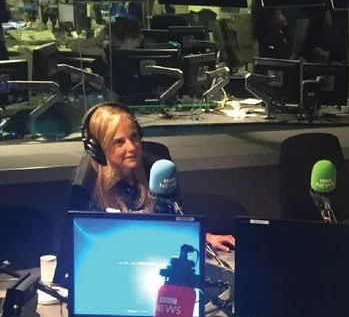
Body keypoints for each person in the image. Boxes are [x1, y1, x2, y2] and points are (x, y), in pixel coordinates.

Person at [68, 102, 234, 252]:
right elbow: (83, 245)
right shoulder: (87, 184)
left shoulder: (156, 169)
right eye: (119, 142)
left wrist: (202, 237)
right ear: (98, 148)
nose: (132, 147)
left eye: (134, 137)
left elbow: (175, 221)